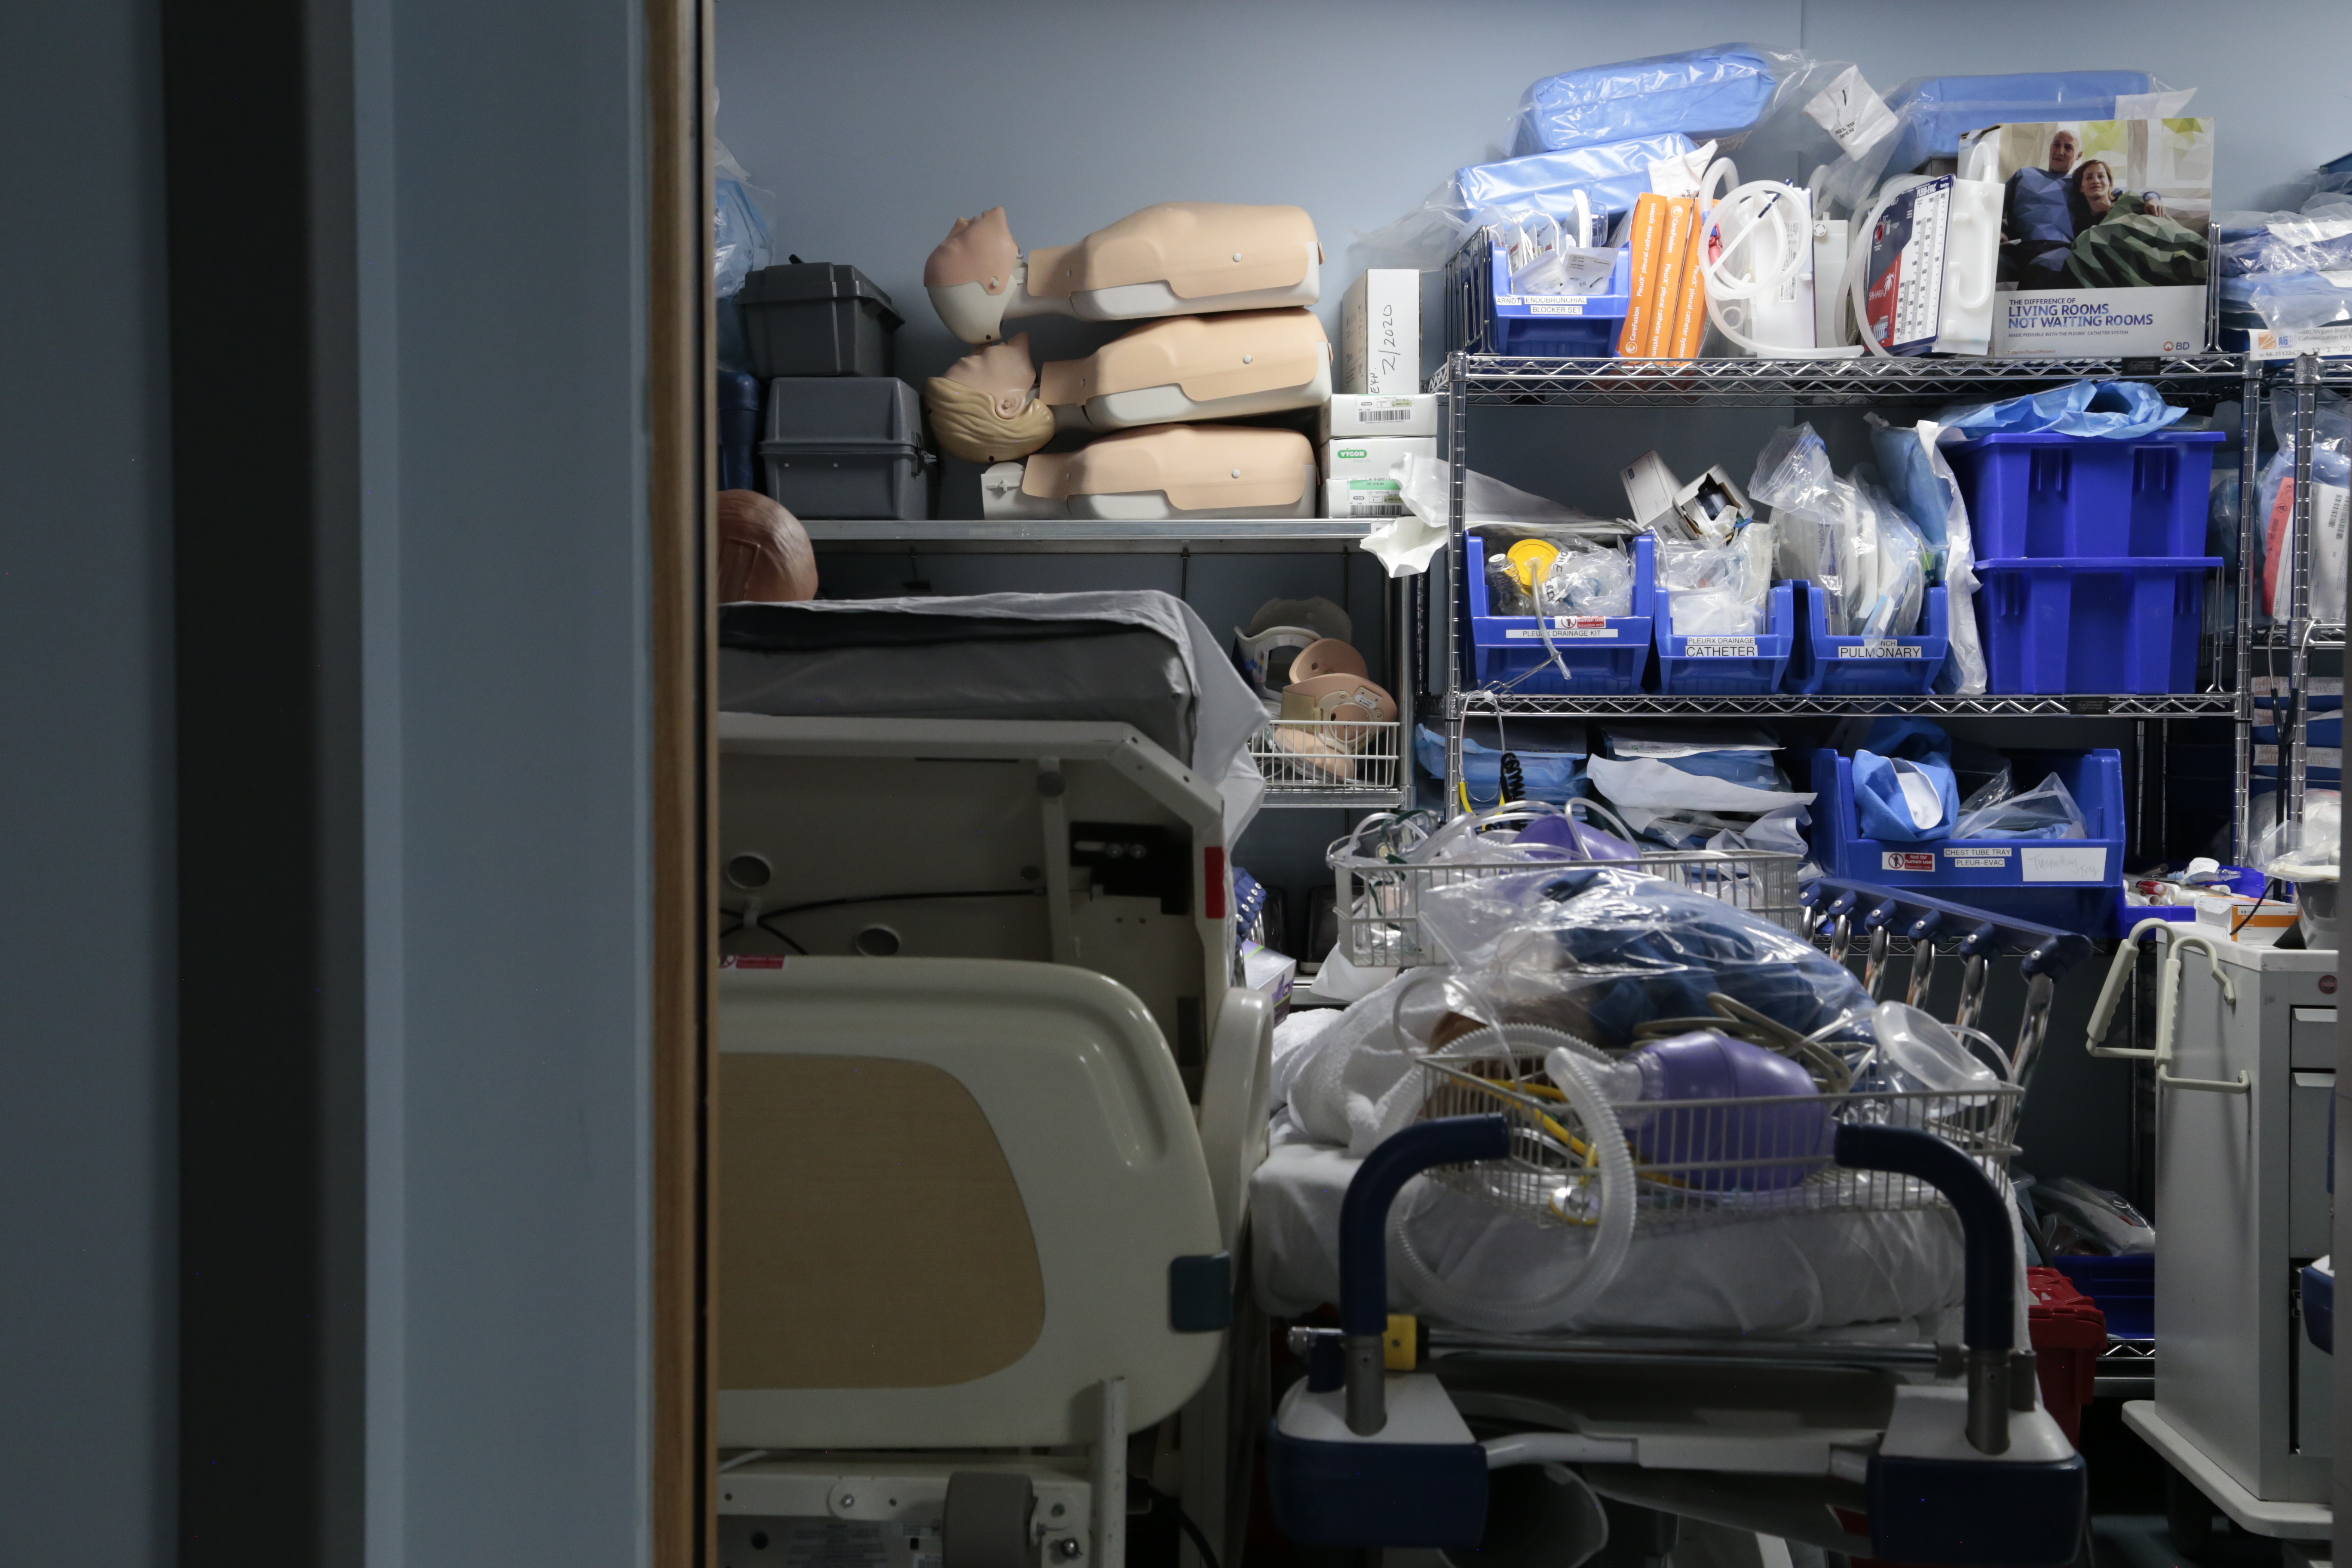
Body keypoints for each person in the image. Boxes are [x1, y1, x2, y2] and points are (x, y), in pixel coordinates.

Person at [2065, 158, 2207, 288]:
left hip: (2168, 246)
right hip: (2139, 268)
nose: (2096, 181)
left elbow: (2164, 227)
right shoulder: (2084, 226)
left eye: (2101, 176)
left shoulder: (2130, 201)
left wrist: (2152, 199)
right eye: (2089, 177)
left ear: (2110, 183)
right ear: (2081, 187)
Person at [2000, 128, 2082, 289]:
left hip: (2058, 251)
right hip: (2019, 249)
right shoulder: (2024, 175)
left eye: (2068, 148)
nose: (2060, 151)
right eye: (2056, 145)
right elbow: (1991, 205)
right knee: (1986, 261)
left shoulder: (2081, 184)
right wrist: (2000, 230)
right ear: (2051, 148)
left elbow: (2115, 193)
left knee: (2045, 266)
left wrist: (2148, 197)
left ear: (2078, 156)